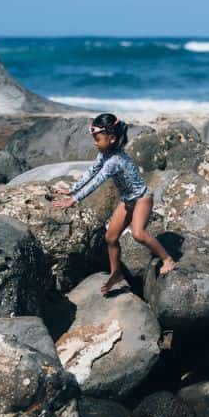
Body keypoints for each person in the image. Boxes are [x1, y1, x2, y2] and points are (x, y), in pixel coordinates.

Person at [52, 113, 175, 294]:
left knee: (138, 234)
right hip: (127, 201)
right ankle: (116, 273)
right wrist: (72, 189)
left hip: (142, 199)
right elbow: (91, 172)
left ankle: (167, 259)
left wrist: (74, 200)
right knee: (110, 238)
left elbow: (97, 181)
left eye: (97, 138)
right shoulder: (104, 154)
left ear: (112, 139)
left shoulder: (115, 160)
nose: (95, 142)